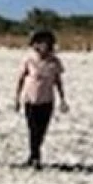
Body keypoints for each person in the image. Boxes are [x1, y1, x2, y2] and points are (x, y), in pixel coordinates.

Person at [15, 30, 69, 169]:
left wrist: (63, 99)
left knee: (41, 131)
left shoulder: (54, 61)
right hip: (30, 100)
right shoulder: (29, 59)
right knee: (33, 130)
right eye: (39, 43)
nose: (41, 46)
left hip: (47, 100)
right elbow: (20, 79)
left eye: (44, 43)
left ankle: (33, 156)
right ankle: (35, 157)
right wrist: (17, 97)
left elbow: (58, 81)